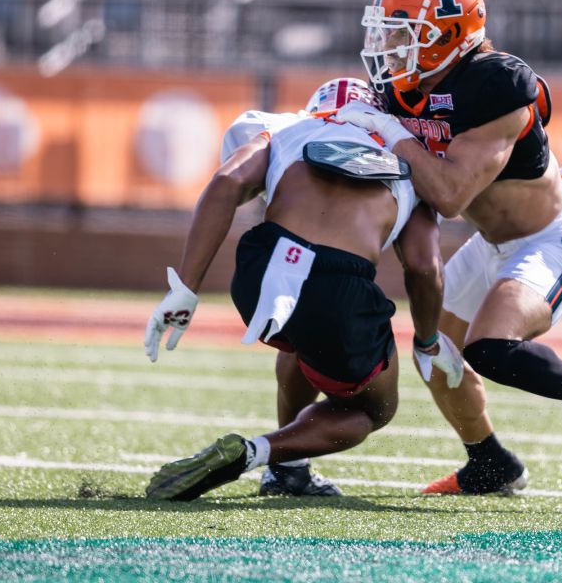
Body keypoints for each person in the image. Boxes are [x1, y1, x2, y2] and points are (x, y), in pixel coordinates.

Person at [339, 0, 562, 495]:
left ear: (449, 36)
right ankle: (490, 462)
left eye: (407, 33)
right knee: (432, 349)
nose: (390, 44)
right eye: (387, 30)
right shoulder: (402, 88)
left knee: (491, 347)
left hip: (554, 241)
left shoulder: (496, 84)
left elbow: (451, 196)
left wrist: (392, 135)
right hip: (492, 244)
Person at [141, 78, 466, 502]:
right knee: (371, 410)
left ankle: (288, 473)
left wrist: (186, 288)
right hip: (337, 287)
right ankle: (259, 453)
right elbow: (425, 266)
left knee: (303, 342)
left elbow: (226, 182)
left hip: (261, 267)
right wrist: (426, 341)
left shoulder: (286, 128)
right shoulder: (407, 154)